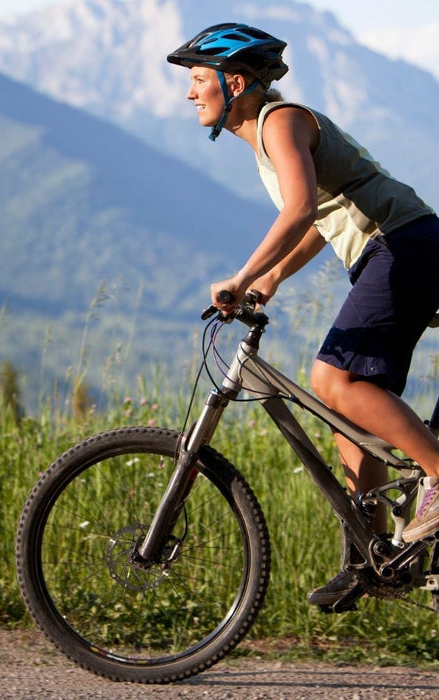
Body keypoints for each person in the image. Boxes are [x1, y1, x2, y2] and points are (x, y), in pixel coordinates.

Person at [167, 23, 439, 606]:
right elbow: (319, 217)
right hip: (394, 250)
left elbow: (296, 211)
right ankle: (372, 560)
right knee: (354, 428)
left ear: (233, 81)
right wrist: (269, 279)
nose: (191, 94)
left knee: (331, 379)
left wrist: (240, 276)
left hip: (401, 244)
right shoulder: (269, 137)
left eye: (197, 80)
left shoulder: (280, 122)